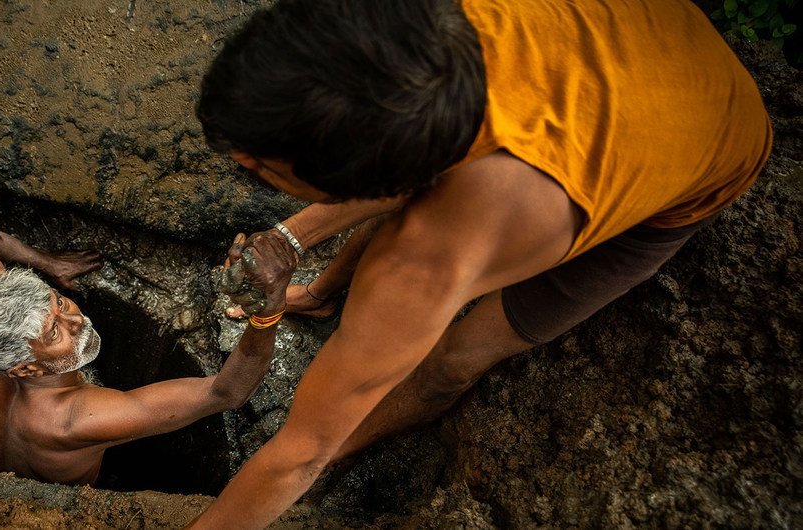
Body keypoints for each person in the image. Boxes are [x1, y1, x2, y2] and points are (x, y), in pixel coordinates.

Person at [187, 0, 772, 526]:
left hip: (703, 148)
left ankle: (351, 447)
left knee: (456, 359)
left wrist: (312, 452)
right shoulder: (418, 30)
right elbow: (390, 175)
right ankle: (319, 295)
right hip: (646, 36)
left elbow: (298, 453)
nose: (240, 165)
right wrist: (290, 239)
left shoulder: (432, 257)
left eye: (254, 166)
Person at [0, 226, 295, 485]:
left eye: (57, 301)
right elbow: (226, 392)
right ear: (25, 369)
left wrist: (50, 263)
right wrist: (268, 309)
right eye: (54, 333)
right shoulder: (77, 420)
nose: (76, 319)